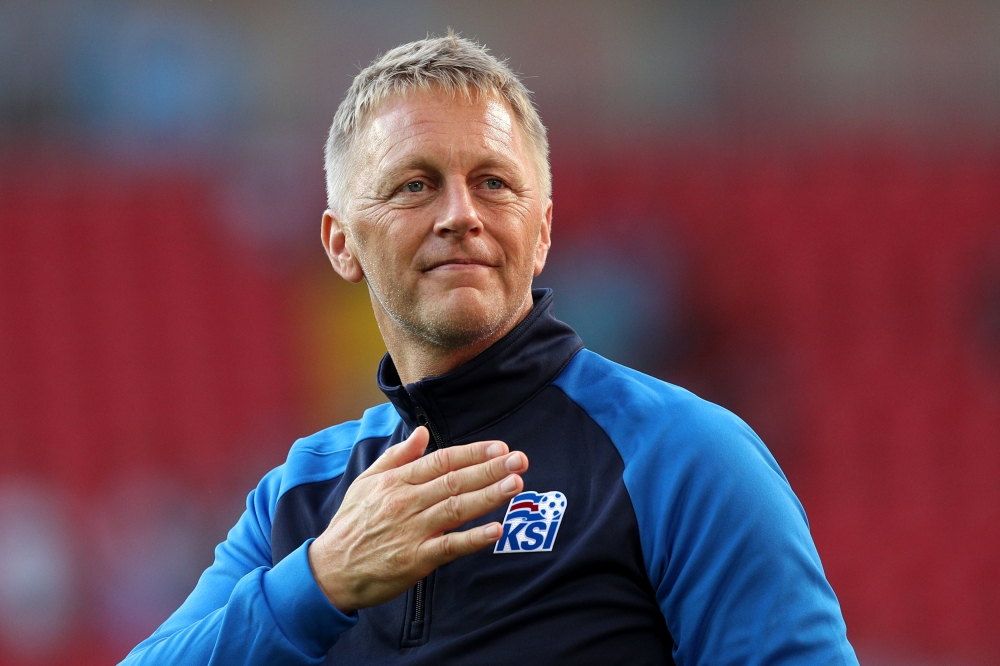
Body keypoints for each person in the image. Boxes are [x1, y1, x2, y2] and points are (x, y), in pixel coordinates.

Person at [122, 33, 859, 665]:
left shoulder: (683, 455)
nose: (460, 215)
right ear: (341, 244)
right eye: (415, 185)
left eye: (493, 183)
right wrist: (322, 582)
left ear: (539, 233)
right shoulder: (302, 500)